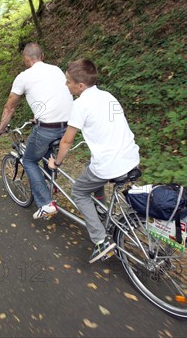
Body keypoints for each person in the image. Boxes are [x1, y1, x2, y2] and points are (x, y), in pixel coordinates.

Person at [48, 59, 140, 264]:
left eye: (68, 82)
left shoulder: (80, 104)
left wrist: (57, 162)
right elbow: (113, 124)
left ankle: (101, 240)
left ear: (80, 86)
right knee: (92, 172)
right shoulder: (108, 96)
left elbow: (67, 140)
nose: (66, 85)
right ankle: (101, 211)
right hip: (130, 157)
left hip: (109, 165)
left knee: (79, 192)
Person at [0, 43, 73, 220]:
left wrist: (0, 129)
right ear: (42, 56)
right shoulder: (57, 70)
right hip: (68, 126)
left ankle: (46, 203)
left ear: (26, 59)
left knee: (29, 160)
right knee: (45, 151)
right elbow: (56, 96)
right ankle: (50, 184)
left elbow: (9, 107)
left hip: (48, 128)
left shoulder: (23, 77)